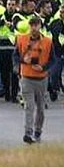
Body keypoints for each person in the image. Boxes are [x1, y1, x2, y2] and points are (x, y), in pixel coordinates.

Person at [14, 16, 55, 144]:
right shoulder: (22, 39)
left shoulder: (48, 41)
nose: (34, 28)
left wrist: (43, 67)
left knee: (41, 109)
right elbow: (15, 56)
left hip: (41, 79)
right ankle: (28, 132)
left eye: (36, 25)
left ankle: (38, 130)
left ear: (40, 26)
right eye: (32, 25)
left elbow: (53, 60)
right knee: (29, 107)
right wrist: (21, 61)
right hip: (26, 77)